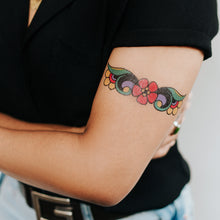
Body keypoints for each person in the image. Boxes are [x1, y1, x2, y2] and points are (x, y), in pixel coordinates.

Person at [0, 0, 219, 219]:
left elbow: (102, 174)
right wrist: (86, 141)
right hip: (12, 197)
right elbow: (105, 159)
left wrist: (103, 151)